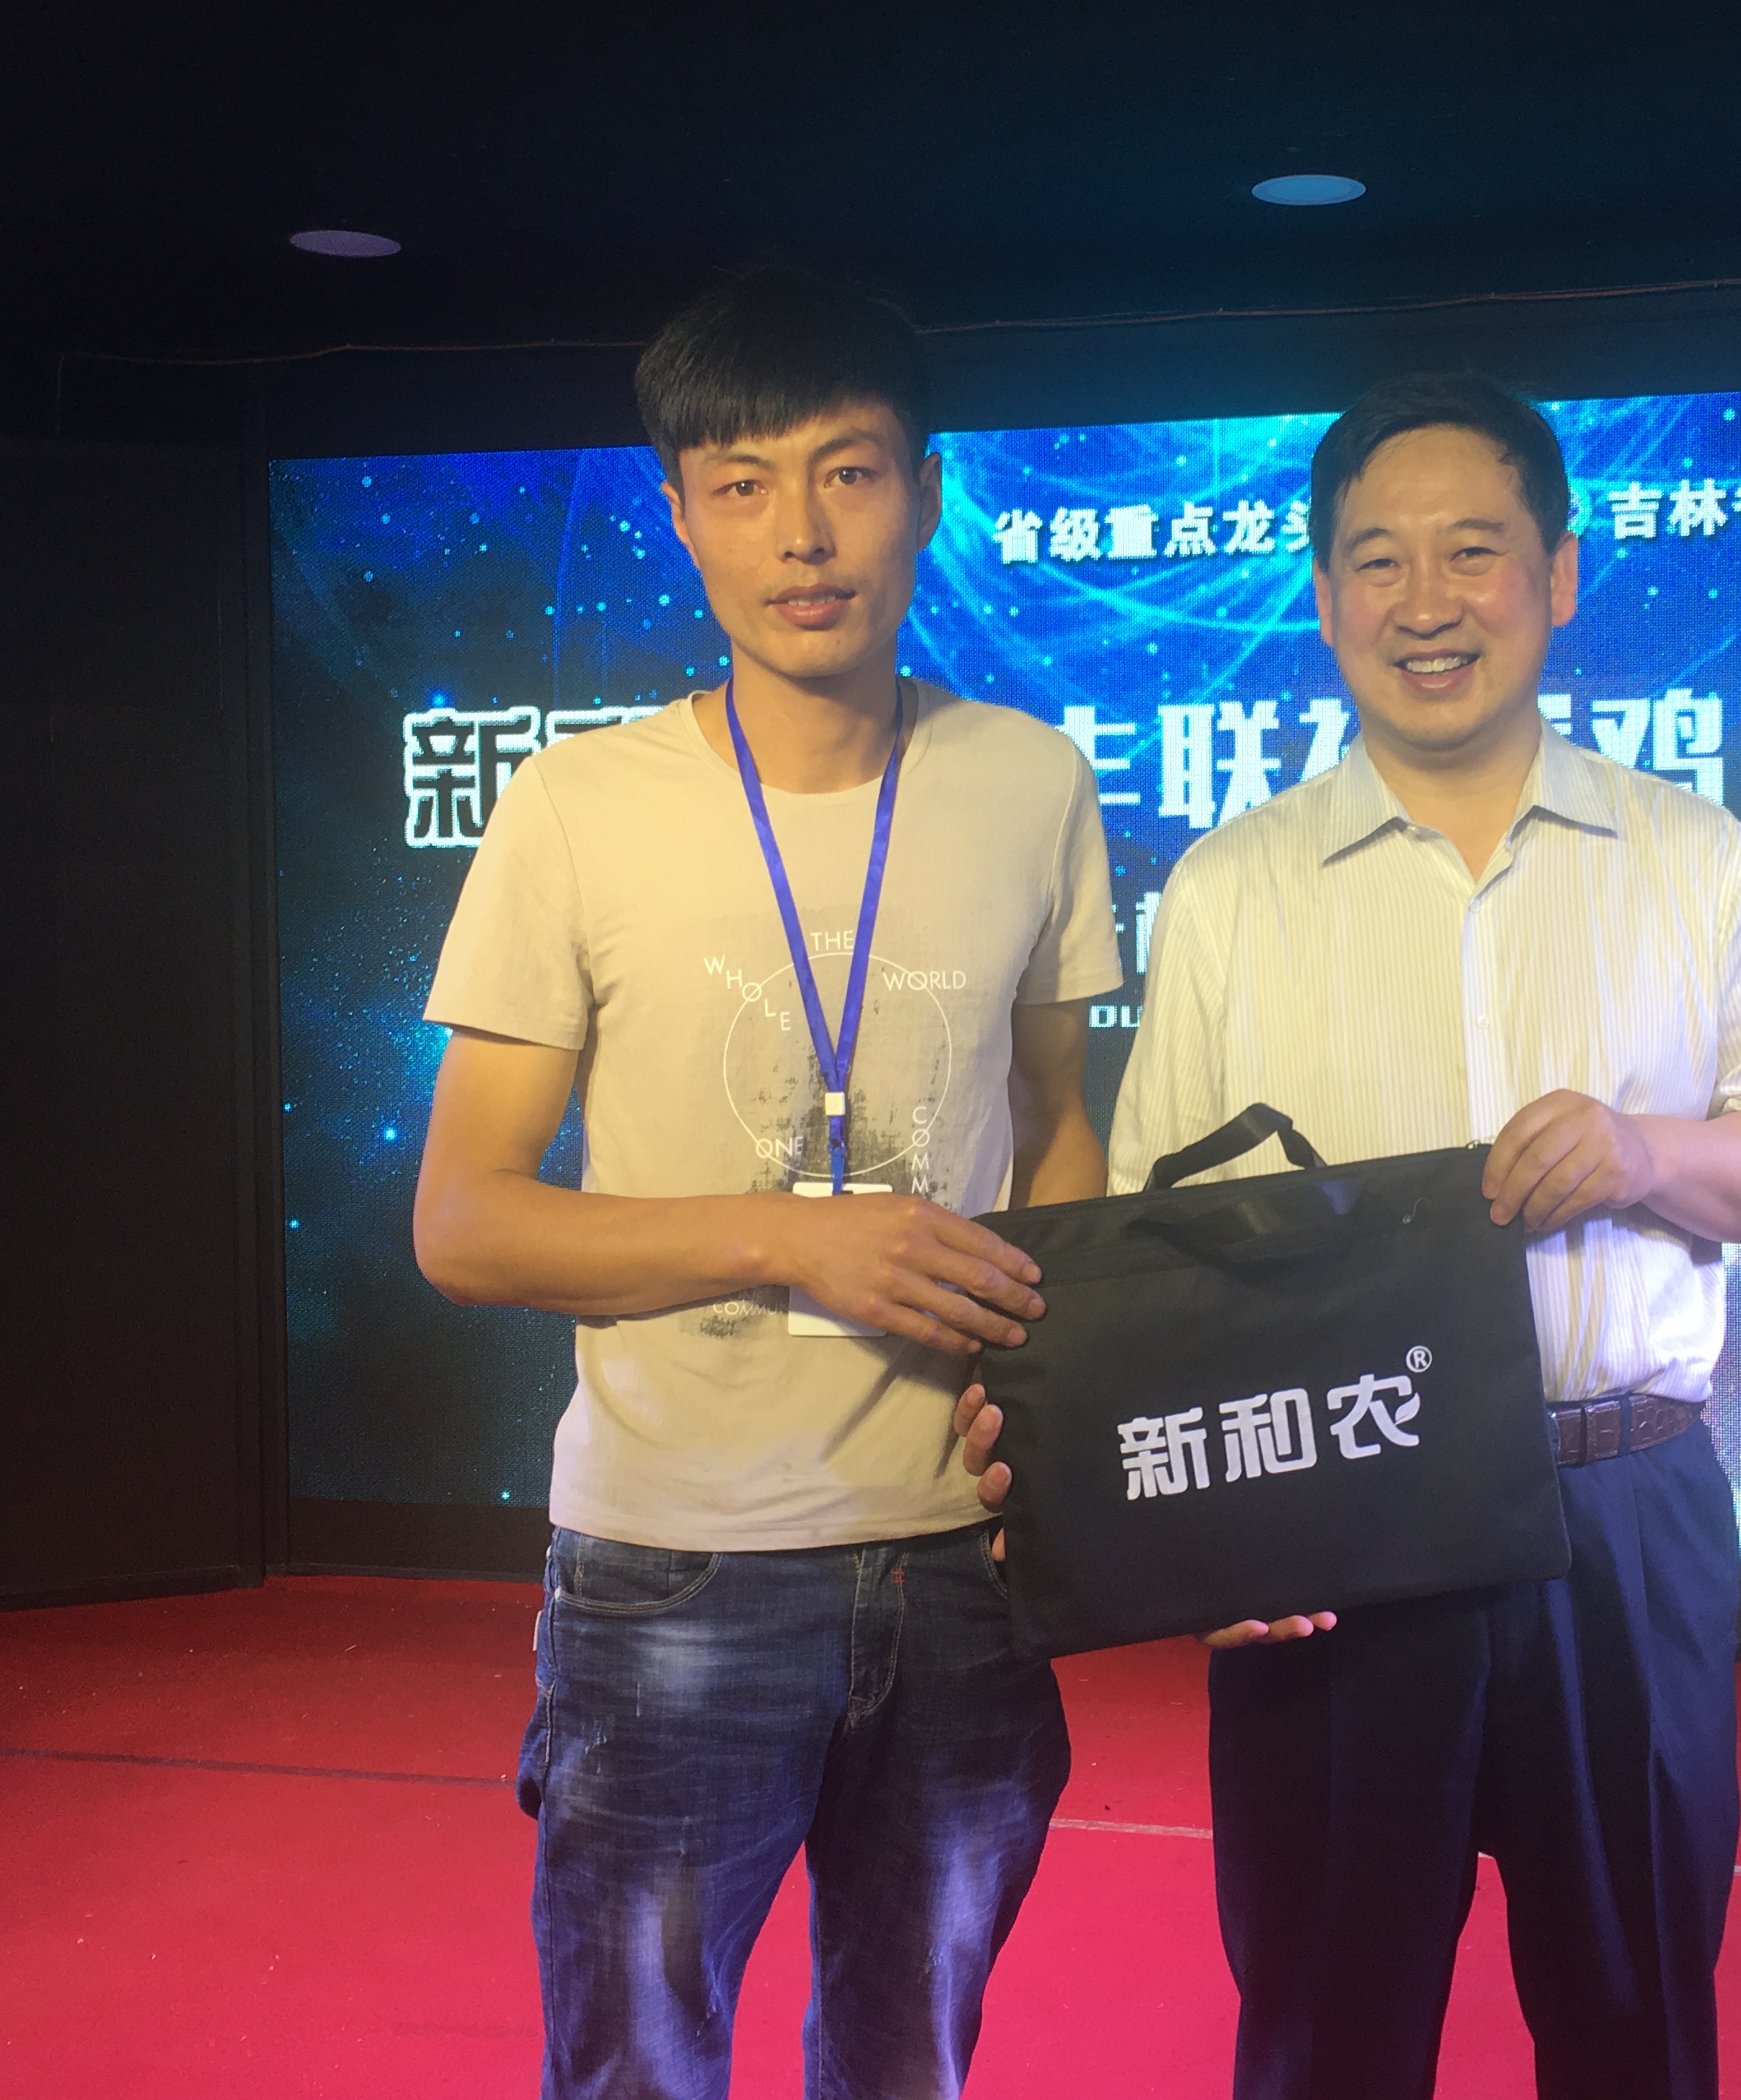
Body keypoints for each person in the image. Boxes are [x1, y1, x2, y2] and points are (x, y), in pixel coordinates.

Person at [960, 371, 1741, 2099]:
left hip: (1620, 1512)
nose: (1426, 603)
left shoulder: (1692, 859)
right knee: (1326, 2033)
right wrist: (1199, 1543)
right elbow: (1159, 1257)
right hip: (1332, 1527)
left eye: (1473, 551)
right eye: (1379, 560)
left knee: (1640, 2022)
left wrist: (1645, 1150)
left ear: (1560, 573)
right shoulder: (1233, 887)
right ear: (1324, 595)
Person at [413, 268, 1119, 2100]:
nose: (800, 535)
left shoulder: (1031, 781)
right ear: (681, 513)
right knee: (638, 2068)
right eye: (741, 484)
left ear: (926, 492)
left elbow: (1061, 1129)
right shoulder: (578, 806)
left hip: (963, 1566)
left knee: (912, 2060)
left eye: (848, 473)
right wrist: (796, 1241)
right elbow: (467, 1218)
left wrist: (1060, 1429)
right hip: (675, 1569)